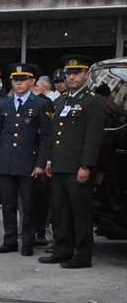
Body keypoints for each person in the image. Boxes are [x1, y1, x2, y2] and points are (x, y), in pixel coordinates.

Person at [41, 55, 106, 269]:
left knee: (80, 213)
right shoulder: (62, 100)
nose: (72, 77)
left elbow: (93, 137)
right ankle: (62, 250)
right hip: (60, 164)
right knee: (60, 212)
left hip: (78, 166)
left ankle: (82, 255)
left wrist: (86, 166)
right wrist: (50, 159)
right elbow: (55, 134)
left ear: (86, 75)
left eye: (77, 73)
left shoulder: (93, 100)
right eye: (69, 73)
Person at [0, 63, 51, 257]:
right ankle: (9, 240)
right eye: (15, 80)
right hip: (6, 160)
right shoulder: (4, 104)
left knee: (29, 205)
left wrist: (41, 164)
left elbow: (45, 138)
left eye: (23, 80)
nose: (18, 83)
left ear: (32, 81)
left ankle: (28, 242)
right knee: (7, 204)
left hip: (28, 162)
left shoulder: (40, 104)